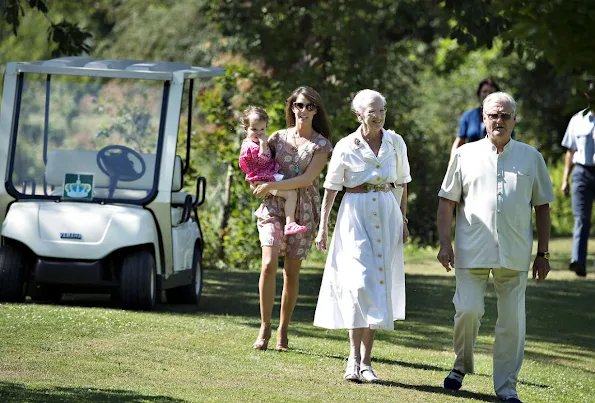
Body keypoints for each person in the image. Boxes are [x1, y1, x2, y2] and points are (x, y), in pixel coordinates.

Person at [437, 92, 554, 403]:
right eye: (493, 115)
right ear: (483, 120)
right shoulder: (464, 155)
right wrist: (444, 243)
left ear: (514, 120)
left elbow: (542, 207)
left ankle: (507, 388)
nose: (499, 120)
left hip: (515, 253)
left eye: (505, 115)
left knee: (512, 322)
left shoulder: (532, 157)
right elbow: (447, 201)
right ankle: (461, 366)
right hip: (471, 248)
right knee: (468, 310)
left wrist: (543, 254)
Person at [313, 89, 411, 383]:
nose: (379, 116)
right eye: (372, 111)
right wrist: (323, 227)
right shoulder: (346, 145)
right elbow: (331, 188)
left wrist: (404, 219)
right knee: (359, 282)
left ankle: (367, 362)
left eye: (382, 110)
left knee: (379, 283)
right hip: (355, 214)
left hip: (386, 209)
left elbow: (403, 182)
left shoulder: (395, 142)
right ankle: (352, 357)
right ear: (359, 115)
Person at [251, 87, 333, 351]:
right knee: (268, 263)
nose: (304, 111)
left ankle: (283, 331)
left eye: (310, 107)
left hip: (304, 209)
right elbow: (259, 162)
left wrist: (271, 185)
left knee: (291, 274)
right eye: (299, 105)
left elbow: (307, 180)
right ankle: (264, 326)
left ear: (316, 111)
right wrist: (256, 179)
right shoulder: (277, 138)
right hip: (273, 206)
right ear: (292, 108)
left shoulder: (321, 145)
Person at [238, 106, 307, 235]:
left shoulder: (249, 143)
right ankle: (290, 222)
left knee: (290, 190)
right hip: (266, 179)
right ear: (245, 129)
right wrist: (264, 146)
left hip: (263, 179)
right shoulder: (251, 147)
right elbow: (262, 160)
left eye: (262, 129)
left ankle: (289, 221)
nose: (259, 133)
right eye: (254, 129)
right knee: (291, 193)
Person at [561, 78, 595, 277]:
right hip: (581, 172)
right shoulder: (577, 120)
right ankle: (578, 261)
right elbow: (570, 151)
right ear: (586, 96)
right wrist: (565, 178)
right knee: (581, 218)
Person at [450, 78, 505, 159]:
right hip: (472, 161)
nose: (487, 95)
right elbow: (459, 141)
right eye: (484, 91)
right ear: (479, 94)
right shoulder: (468, 116)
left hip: (496, 163)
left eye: (491, 92)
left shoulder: (504, 117)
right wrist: (452, 162)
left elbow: (509, 142)